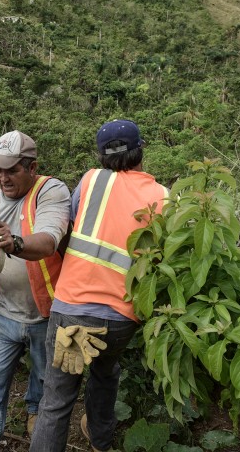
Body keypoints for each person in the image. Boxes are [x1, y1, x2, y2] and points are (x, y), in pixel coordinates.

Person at [29, 120, 169, 452]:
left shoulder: (92, 181)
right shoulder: (164, 196)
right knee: (106, 373)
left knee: (57, 401)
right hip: (121, 319)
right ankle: (100, 440)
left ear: (102, 157)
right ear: (141, 150)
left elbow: (67, 230)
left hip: (74, 317)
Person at [0, 131, 70, 452]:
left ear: (32, 167)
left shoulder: (50, 191)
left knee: (46, 380)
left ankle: (35, 411)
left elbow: (48, 241)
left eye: (12, 170)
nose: (3, 178)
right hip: (1, 314)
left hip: (46, 315)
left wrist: (15, 243)